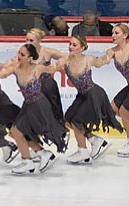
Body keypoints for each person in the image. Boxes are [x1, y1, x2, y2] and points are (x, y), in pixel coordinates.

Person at [0, 44, 68, 175]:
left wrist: (64, 60)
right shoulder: (16, 68)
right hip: (28, 105)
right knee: (16, 132)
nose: (18, 56)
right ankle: (41, 154)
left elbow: (54, 68)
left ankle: (30, 160)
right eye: (18, 53)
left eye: (22, 55)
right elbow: (3, 74)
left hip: (39, 105)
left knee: (17, 132)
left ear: (30, 58)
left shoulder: (38, 68)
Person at [46, 35, 122, 164]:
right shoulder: (66, 60)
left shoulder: (88, 59)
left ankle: (83, 152)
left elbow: (103, 61)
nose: (70, 47)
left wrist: (110, 54)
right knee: (68, 118)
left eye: (74, 45)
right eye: (70, 44)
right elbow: (53, 68)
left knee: (77, 121)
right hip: (82, 95)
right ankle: (95, 140)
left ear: (82, 48)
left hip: (94, 94)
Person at [25, 28, 67, 129]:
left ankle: (60, 131)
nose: (28, 43)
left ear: (39, 40)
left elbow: (65, 57)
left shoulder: (47, 51)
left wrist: (56, 65)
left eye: (31, 40)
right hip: (33, 86)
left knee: (54, 109)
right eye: (27, 40)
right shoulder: (24, 52)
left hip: (47, 85)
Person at [105, 24, 129, 157]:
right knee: (112, 109)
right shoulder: (112, 51)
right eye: (112, 33)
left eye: (117, 33)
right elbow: (104, 60)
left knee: (124, 110)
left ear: (125, 35)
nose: (113, 35)